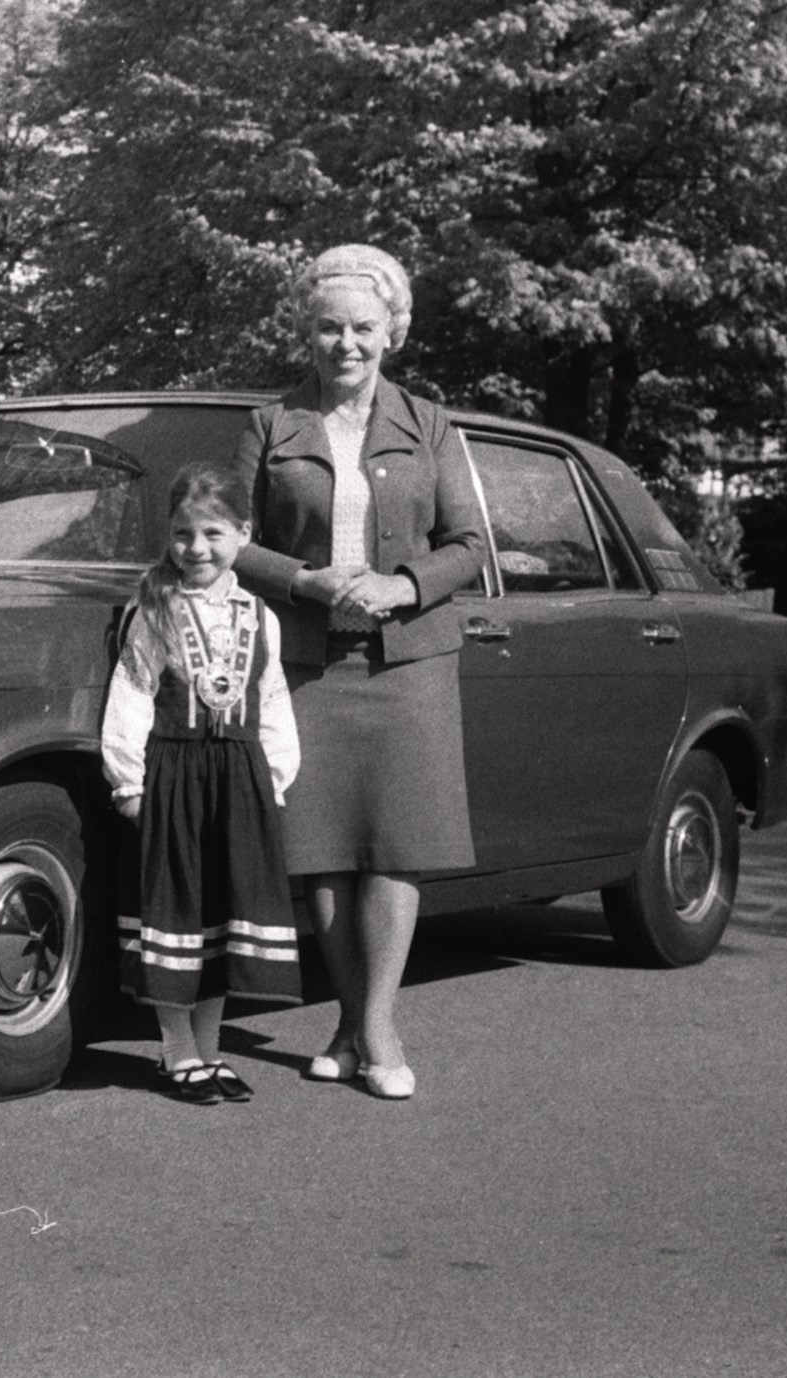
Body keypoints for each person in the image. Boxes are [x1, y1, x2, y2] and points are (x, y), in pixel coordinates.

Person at [230, 243, 488, 1100]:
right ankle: (359, 1024)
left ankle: (373, 1028)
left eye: (364, 327)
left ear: (394, 333)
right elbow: (224, 538)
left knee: (395, 849)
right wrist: (298, 580)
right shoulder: (270, 426)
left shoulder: (430, 423)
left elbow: (471, 547)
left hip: (405, 663)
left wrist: (402, 584)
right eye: (330, 326)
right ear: (308, 333)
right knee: (321, 853)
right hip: (302, 664)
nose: (347, 343)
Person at [101, 462, 303, 1105]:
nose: (197, 549)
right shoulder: (155, 609)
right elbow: (130, 695)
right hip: (175, 778)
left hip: (237, 781)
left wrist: (271, 779)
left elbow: (271, 701)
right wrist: (129, 783)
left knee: (221, 914)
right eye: (184, 535)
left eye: (213, 534)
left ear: (244, 534)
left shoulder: (258, 616)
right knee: (178, 912)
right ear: (169, 536)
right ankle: (176, 1052)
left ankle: (210, 1052)